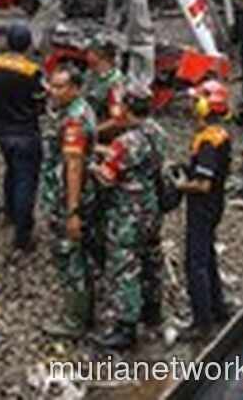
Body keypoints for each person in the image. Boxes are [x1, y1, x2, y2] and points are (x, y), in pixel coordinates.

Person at [89, 83, 166, 350]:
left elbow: (107, 177)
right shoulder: (157, 132)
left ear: (126, 107)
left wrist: (90, 163)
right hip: (151, 206)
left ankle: (126, 326)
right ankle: (153, 309)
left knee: (124, 265)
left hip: (127, 212)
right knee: (151, 256)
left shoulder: (125, 142)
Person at [40, 64, 100, 339]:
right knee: (81, 253)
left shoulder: (73, 121)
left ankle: (76, 320)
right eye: (52, 85)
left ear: (75, 88)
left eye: (60, 86)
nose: (53, 91)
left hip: (68, 198)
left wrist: (72, 210)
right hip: (79, 194)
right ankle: (86, 308)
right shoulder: (81, 109)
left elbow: (73, 165)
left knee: (70, 256)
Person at [176, 80, 233, 342]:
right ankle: (218, 307)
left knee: (195, 262)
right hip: (215, 204)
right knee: (208, 255)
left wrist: (179, 185)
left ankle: (202, 322)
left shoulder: (208, 142)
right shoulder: (219, 135)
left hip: (203, 207)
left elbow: (203, 184)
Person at [0, 23, 45, 252]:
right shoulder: (31, 71)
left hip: (1, 130)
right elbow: (39, 101)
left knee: (11, 170)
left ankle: (9, 213)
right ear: (28, 43)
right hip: (25, 131)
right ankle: (23, 236)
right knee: (26, 181)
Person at [82, 35, 127, 142]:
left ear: (103, 55)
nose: (87, 54)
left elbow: (117, 119)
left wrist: (91, 131)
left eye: (90, 51)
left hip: (102, 132)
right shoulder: (90, 73)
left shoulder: (115, 82)